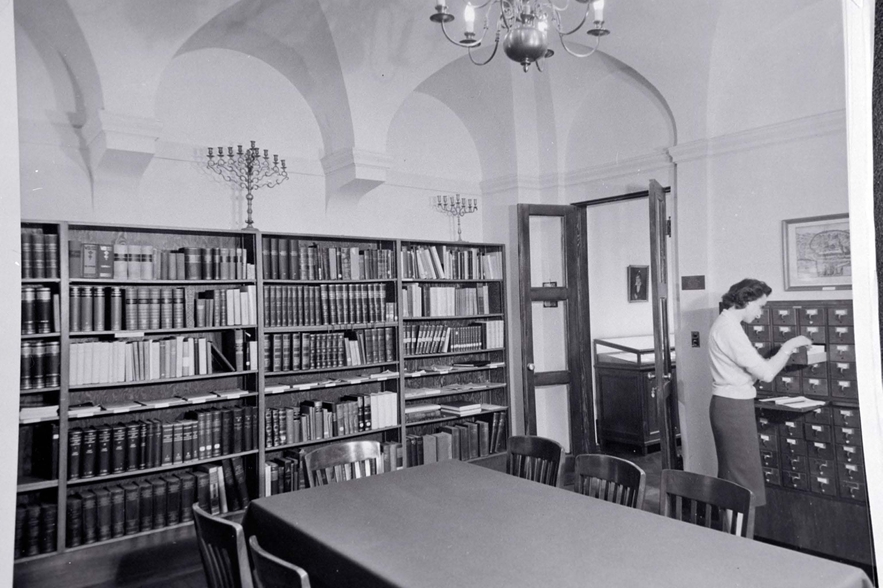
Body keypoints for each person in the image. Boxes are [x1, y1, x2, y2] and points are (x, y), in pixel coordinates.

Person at [708, 278, 812, 507]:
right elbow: (766, 374)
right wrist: (789, 346)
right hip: (733, 409)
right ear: (747, 300)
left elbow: (744, 368)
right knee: (741, 480)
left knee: (734, 478)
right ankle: (736, 540)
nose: (761, 314)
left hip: (730, 405)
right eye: (761, 306)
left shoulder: (726, 324)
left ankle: (732, 538)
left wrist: (760, 364)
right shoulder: (729, 329)